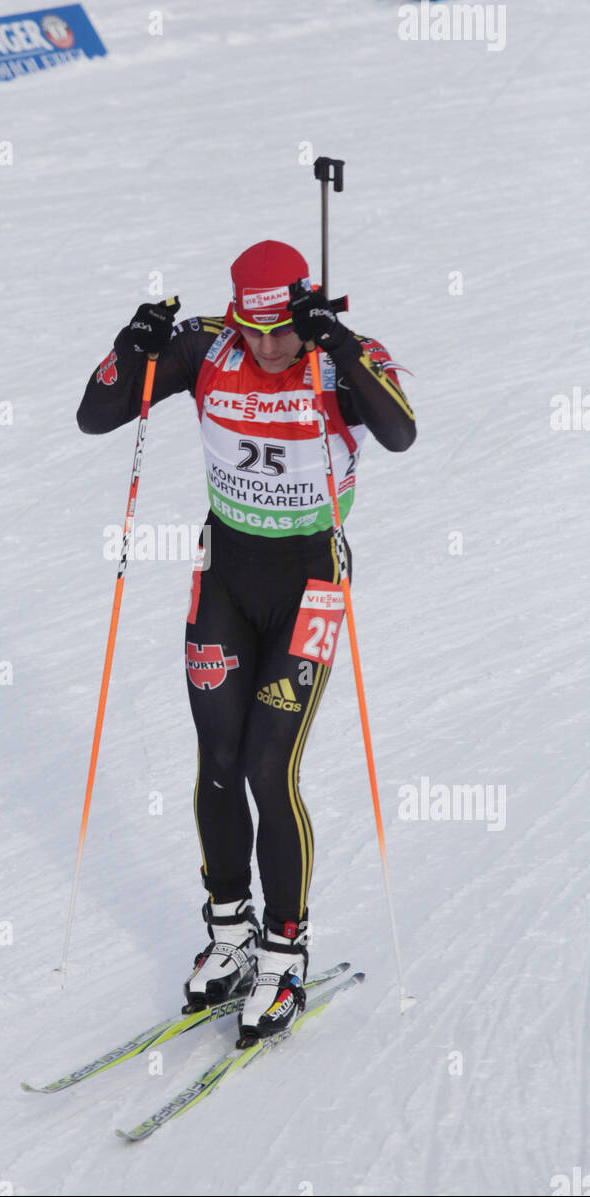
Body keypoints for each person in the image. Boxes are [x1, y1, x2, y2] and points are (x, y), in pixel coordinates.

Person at [76, 239, 416, 1044]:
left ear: (304, 310)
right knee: (219, 760)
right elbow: (96, 416)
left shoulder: (343, 355)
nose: (268, 349)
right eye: (253, 332)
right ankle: (229, 936)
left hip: (311, 582)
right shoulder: (210, 347)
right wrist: (131, 348)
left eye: (282, 332)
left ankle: (284, 952)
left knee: (271, 764)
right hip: (225, 576)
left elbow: (400, 433)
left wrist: (334, 343)